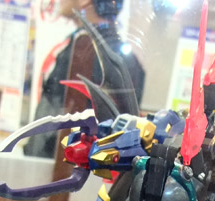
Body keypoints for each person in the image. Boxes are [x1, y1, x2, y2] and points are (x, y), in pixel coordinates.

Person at [25, 0, 145, 157]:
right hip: (100, 166)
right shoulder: (128, 61)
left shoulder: (82, 52)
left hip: (67, 165)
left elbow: (50, 130)